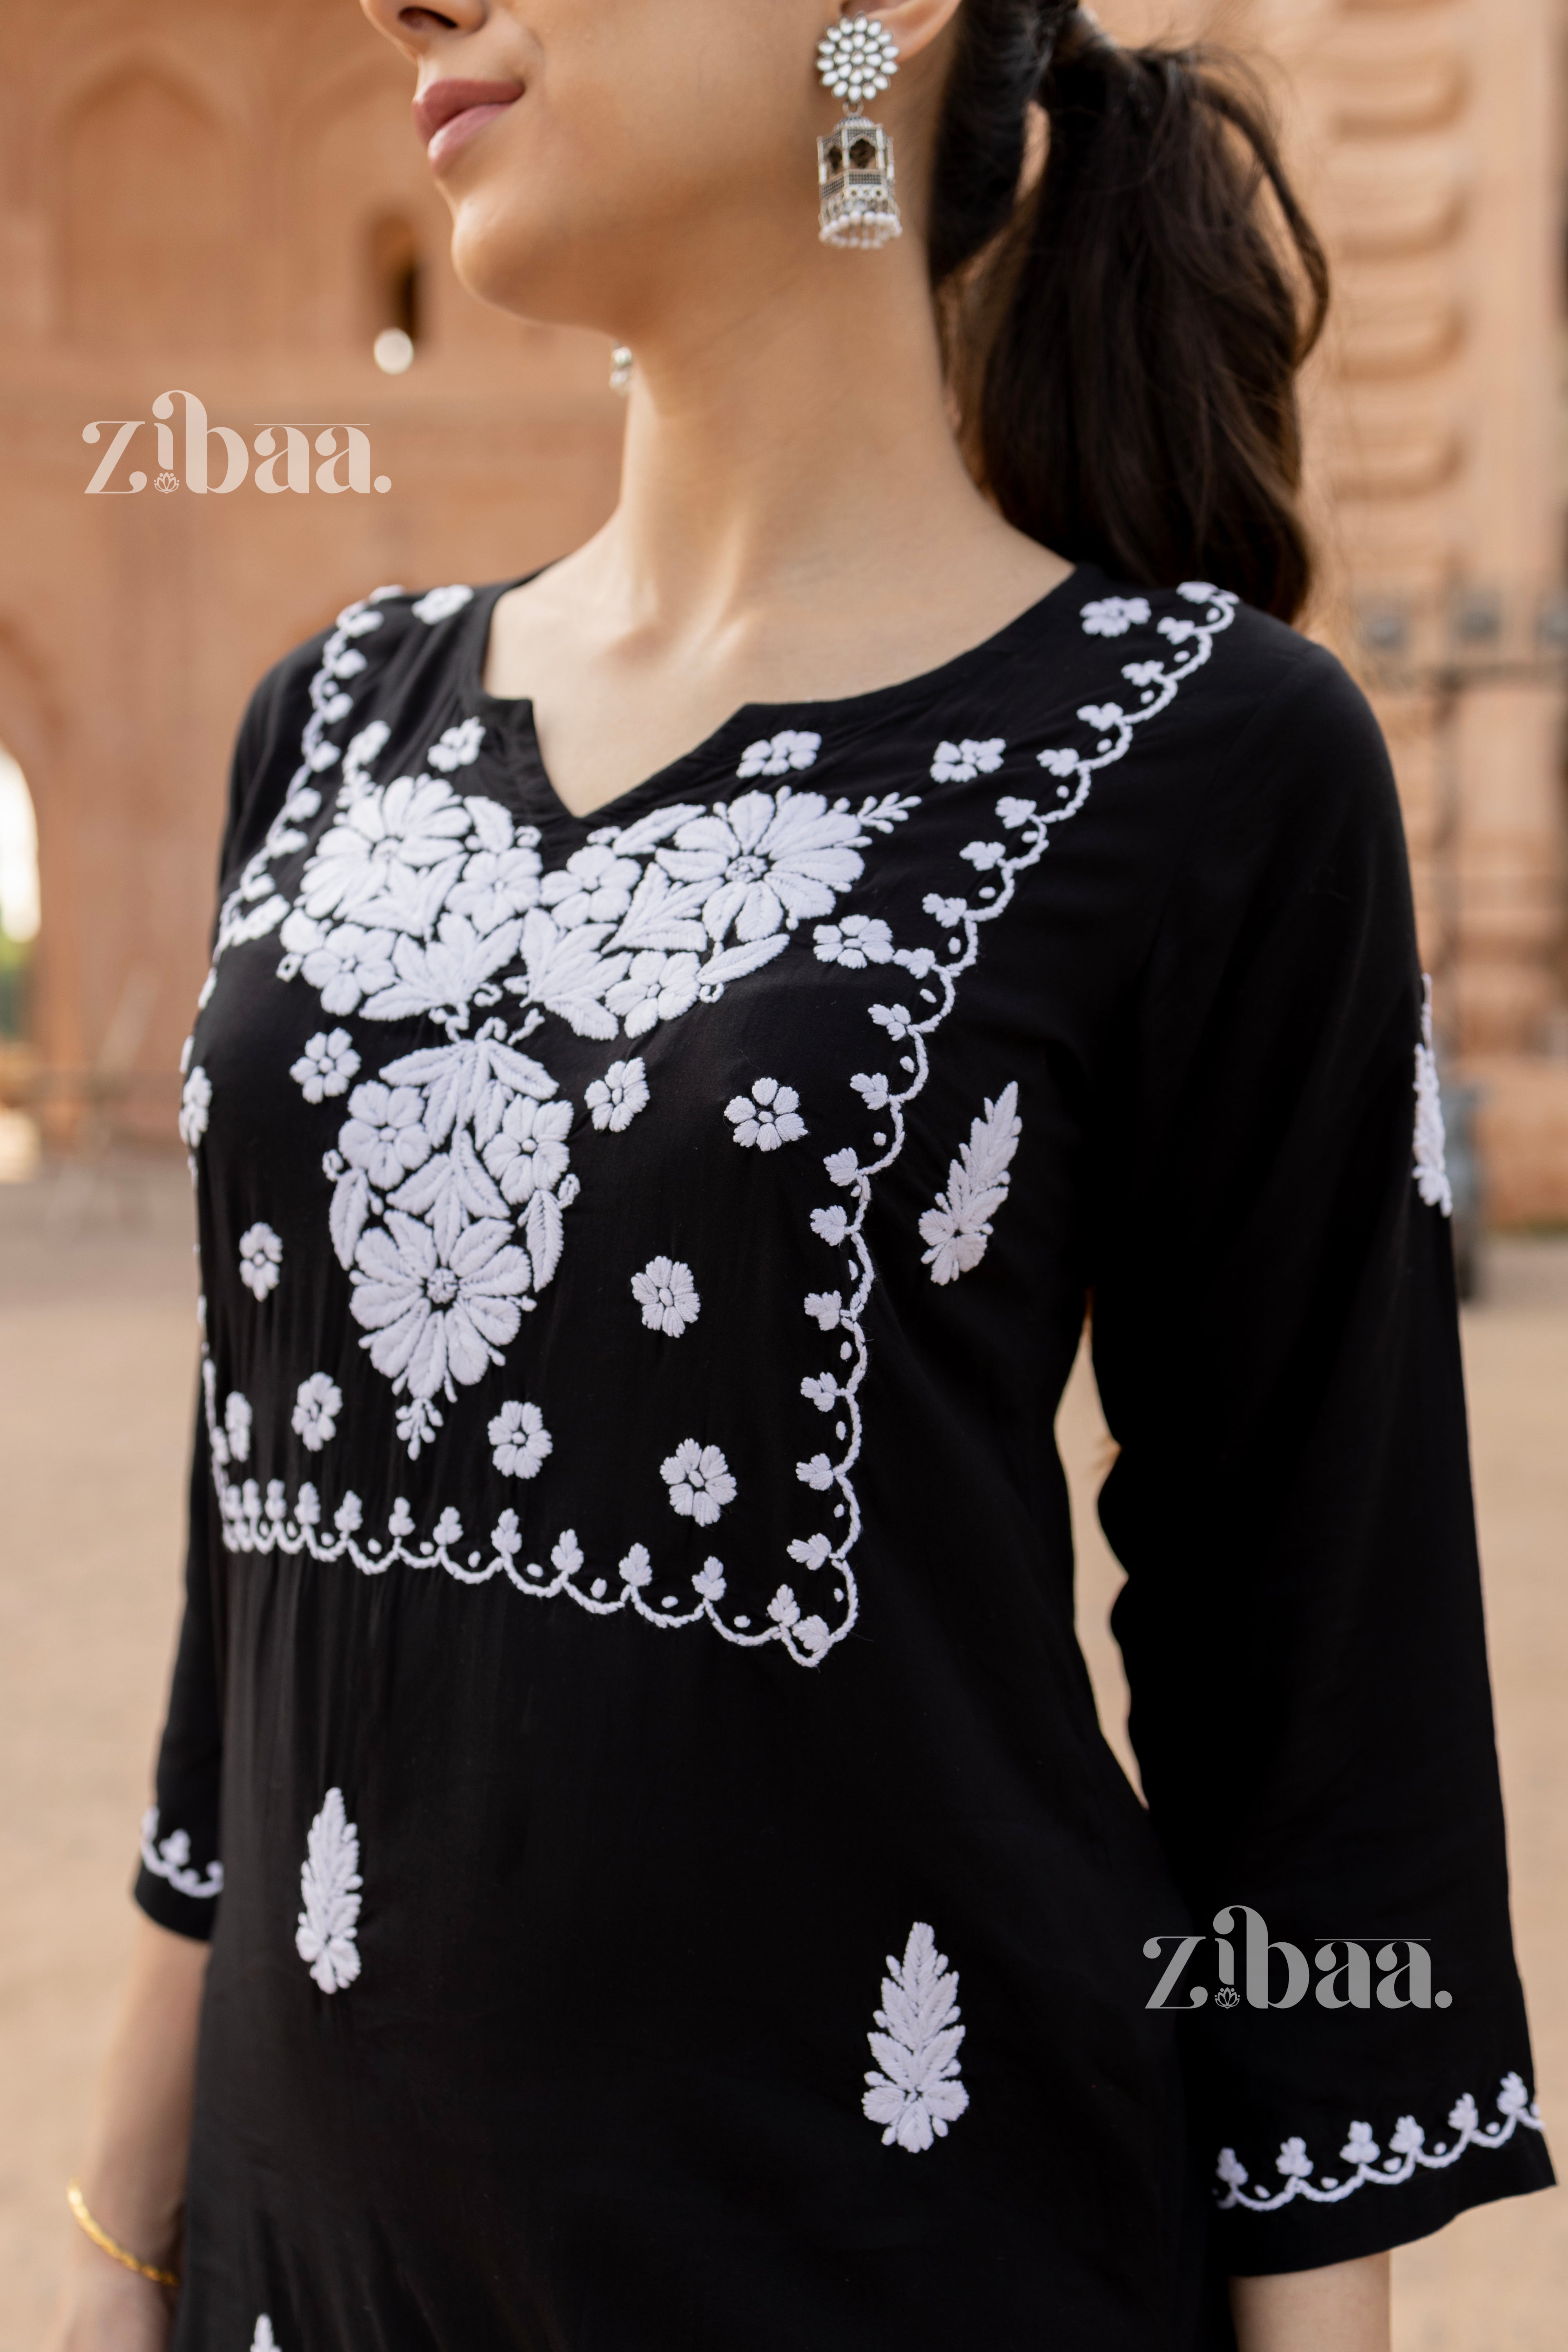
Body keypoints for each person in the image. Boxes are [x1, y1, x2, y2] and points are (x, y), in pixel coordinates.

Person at [45, 3, 1552, 2348]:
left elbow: (1312, 1721)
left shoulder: (1205, 756)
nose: (406, 4)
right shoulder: (334, 728)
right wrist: (110, 2251)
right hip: (298, 2285)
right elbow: (255, 1584)